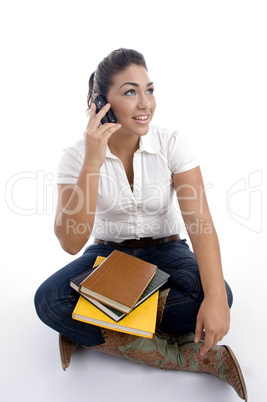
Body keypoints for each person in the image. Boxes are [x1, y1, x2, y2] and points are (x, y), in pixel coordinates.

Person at [34, 48, 247, 401]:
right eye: (131, 92)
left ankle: (96, 321)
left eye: (149, 89)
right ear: (100, 102)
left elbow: (200, 222)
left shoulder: (171, 143)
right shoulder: (74, 157)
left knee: (217, 295)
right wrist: (92, 162)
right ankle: (181, 355)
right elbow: (71, 243)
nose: (145, 103)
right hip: (109, 256)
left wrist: (214, 301)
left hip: (167, 250)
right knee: (50, 300)